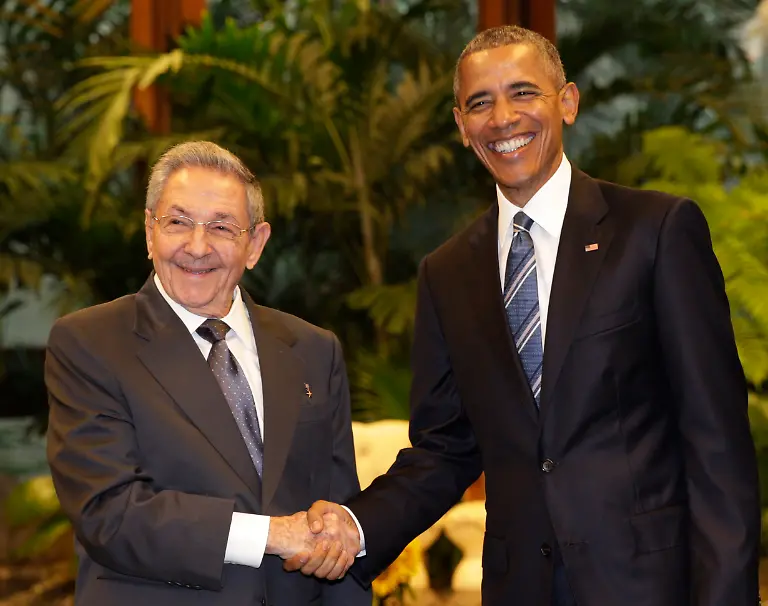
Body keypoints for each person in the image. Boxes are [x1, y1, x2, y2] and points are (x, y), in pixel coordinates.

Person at [286, 25, 762, 606]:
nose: (503, 118)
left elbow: (716, 440)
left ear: (568, 102)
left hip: (650, 586)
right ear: (462, 126)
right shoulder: (447, 273)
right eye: (479, 103)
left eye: (523, 92)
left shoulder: (655, 231)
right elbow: (444, 448)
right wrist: (357, 527)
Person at [45, 141, 370, 606]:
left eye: (221, 227)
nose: (197, 247)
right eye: (178, 222)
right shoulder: (91, 343)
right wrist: (271, 535)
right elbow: (109, 512)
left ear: (255, 244)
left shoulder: (314, 350)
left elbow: (339, 520)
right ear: (150, 232)